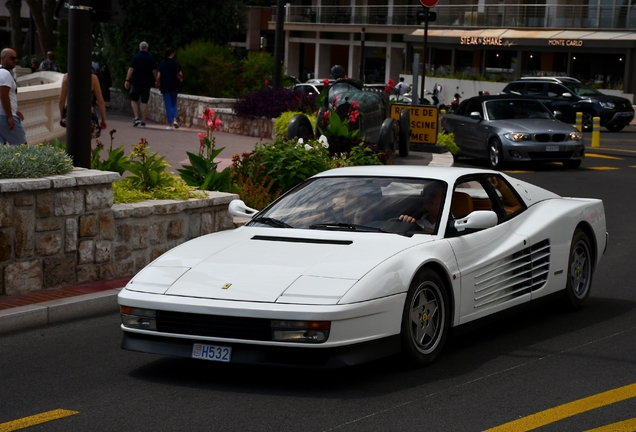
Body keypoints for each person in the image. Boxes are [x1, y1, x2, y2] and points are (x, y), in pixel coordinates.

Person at [124, 41, 157, 128]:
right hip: (146, 83)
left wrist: (127, 80)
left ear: (140, 48)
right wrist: (157, 81)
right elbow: (154, 71)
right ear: (147, 48)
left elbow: (131, 69)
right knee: (144, 102)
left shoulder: (135, 57)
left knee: (134, 100)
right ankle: (143, 121)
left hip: (136, 83)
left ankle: (136, 117)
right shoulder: (150, 58)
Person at [0, 48, 26, 145]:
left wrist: (14, 109)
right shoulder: (4, 73)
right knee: (22, 148)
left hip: (2, 115)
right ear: (3, 58)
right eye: (12, 58)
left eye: (16, 58)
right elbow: (3, 96)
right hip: (4, 116)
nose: (15, 60)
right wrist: (10, 116)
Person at [156, 47, 181, 130]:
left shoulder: (162, 63)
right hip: (174, 86)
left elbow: (158, 76)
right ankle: (175, 120)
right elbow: (180, 75)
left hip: (165, 86)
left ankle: (170, 124)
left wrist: (158, 83)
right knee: (174, 104)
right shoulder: (176, 63)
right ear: (172, 53)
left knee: (168, 105)